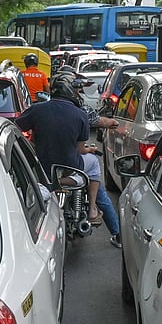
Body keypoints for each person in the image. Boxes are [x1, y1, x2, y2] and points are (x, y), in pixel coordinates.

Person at [16, 75, 121, 248]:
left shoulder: (37, 109)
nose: (79, 92)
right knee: (93, 163)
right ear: (71, 91)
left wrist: (32, 146)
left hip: (42, 169)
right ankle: (94, 209)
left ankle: (51, 185)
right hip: (71, 169)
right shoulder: (80, 114)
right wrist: (90, 150)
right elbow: (80, 149)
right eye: (77, 89)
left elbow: (17, 129)